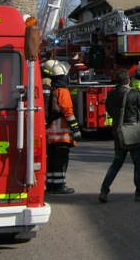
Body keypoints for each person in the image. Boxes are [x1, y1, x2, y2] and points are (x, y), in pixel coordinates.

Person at [99, 69, 140, 204]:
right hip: (133, 131)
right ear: (128, 80)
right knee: (138, 162)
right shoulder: (134, 93)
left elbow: (109, 111)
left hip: (119, 131)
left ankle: (104, 190)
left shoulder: (111, 94)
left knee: (117, 162)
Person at [45, 61, 82, 193]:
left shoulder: (52, 89)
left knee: (52, 160)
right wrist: (76, 129)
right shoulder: (63, 91)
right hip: (62, 134)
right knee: (61, 160)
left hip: (51, 132)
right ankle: (60, 186)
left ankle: (51, 185)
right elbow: (67, 110)